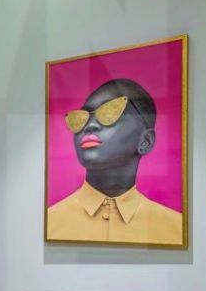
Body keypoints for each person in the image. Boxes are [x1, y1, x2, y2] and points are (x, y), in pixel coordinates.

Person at [47, 78, 183, 246]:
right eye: (81, 118)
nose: (90, 126)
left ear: (145, 141)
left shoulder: (176, 229)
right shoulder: (49, 224)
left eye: (110, 112)